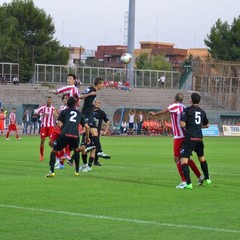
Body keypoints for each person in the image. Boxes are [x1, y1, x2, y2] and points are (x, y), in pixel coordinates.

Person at [149, 93, 203, 189]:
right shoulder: (185, 107)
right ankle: (199, 176)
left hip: (179, 137)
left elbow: (166, 110)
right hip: (187, 136)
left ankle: (184, 181)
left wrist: (155, 114)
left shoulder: (174, 106)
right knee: (186, 159)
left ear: (175, 99)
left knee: (177, 158)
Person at [45, 97, 90, 177]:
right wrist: (87, 137)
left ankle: (52, 171)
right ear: (75, 104)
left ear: (67, 104)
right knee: (76, 150)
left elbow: (59, 124)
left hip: (65, 134)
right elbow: (87, 127)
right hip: (75, 136)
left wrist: (63, 130)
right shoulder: (79, 113)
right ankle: (76, 172)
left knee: (54, 150)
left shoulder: (64, 112)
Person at [180, 92, 211, 189]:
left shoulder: (187, 110)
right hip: (199, 138)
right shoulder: (202, 112)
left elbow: (182, 124)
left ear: (191, 100)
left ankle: (188, 184)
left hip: (190, 138)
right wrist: (197, 126)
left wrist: (189, 124)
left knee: (183, 160)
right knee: (202, 158)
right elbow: (207, 125)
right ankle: (207, 179)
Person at [80, 77, 110, 159]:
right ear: (99, 84)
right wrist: (89, 94)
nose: (103, 85)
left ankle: (97, 150)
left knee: (96, 133)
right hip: (86, 114)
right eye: (102, 84)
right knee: (94, 132)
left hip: (90, 114)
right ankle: (97, 150)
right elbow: (80, 96)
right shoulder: (90, 89)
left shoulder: (95, 91)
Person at [35, 96, 55, 161]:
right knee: (42, 141)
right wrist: (42, 114)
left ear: (51, 101)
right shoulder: (43, 107)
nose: (49, 101)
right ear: (46, 101)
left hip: (51, 127)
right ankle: (41, 155)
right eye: (48, 100)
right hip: (44, 126)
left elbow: (57, 115)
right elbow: (35, 112)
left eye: (50, 100)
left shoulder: (53, 108)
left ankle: (56, 152)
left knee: (51, 141)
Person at [93, 100, 110, 166]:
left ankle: (95, 161)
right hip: (89, 132)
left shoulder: (101, 112)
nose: (97, 104)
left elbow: (107, 121)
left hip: (96, 132)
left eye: (98, 103)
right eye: (96, 102)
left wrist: (106, 130)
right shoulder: (89, 111)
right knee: (85, 146)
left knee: (96, 146)